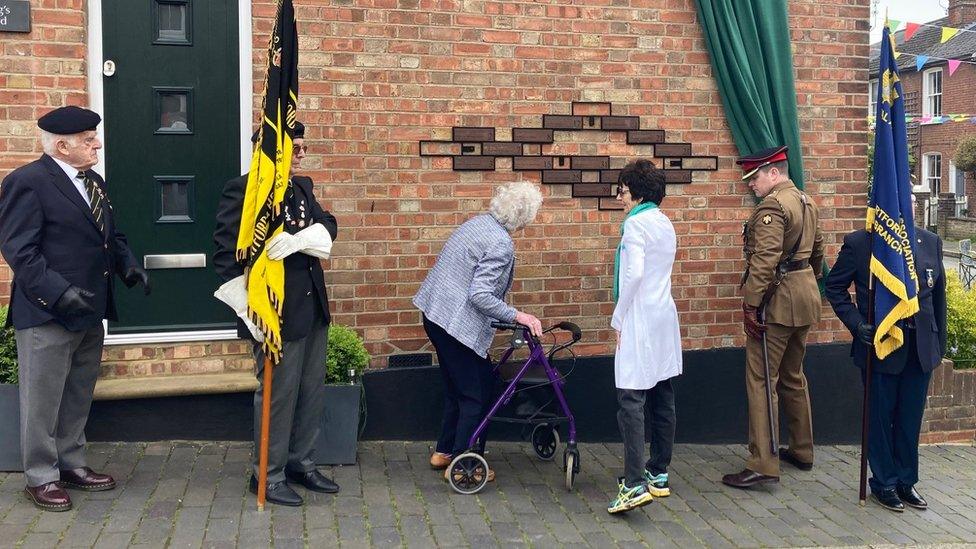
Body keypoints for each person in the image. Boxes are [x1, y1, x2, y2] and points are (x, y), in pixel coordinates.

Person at [0, 106, 150, 511]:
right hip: (47, 312)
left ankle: (70, 463)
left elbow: (109, 234)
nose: (97, 143)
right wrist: (59, 291)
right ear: (62, 146)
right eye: (88, 139)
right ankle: (40, 476)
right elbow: (19, 250)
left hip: (89, 309)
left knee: (78, 394)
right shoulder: (27, 182)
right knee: (42, 399)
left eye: (94, 137)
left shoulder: (93, 181)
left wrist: (128, 265)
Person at [213, 121, 339, 507]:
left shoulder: (302, 187)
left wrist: (300, 239)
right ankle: (267, 474)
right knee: (278, 396)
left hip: (311, 306)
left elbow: (329, 224)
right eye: (294, 148)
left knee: (310, 390)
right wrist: (252, 312)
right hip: (275, 312)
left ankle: (302, 462)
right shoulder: (245, 191)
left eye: (303, 147)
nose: (302, 154)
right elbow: (225, 257)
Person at [413, 181, 544, 481]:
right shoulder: (501, 243)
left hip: (435, 315)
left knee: (456, 388)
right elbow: (480, 295)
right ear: (523, 217)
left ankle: (444, 451)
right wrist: (518, 315)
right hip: (455, 325)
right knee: (478, 392)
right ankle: (463, 464)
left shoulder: (477, 224)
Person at [824, 194, 945, 512]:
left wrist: (938, 343)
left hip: (920, 350)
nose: (906, 206)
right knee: (879, 419)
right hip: (881, 345)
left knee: (909, 420)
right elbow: (834, 286)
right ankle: (884, 482)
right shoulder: (861, 243)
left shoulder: (930, 241)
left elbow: (938, 300)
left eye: (910, 200)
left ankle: (906, 481)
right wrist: (856, 323)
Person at [722, 146, 824, 489]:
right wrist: (808, 284)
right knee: (793, 376)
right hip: (805, 297)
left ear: (774, 172)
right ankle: (802, 449)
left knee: (762, 379)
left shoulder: (772, 206)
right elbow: (819, 253)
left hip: (777, 303)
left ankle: (763, 463)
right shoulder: (807, 201)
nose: (751, 184)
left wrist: (750, 305)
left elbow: (764, 261)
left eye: (755, 177)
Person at [607, 160, 682, 515]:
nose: (620, 197)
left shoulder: (635, 225)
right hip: (663, 315)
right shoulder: (664, 222)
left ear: (636, 193)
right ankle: (658, 472)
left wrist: (618, 318)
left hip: (638, 317)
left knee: (631, 399)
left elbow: (633, 275)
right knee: (662, 394)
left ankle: (634, 483)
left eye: (622, 190)